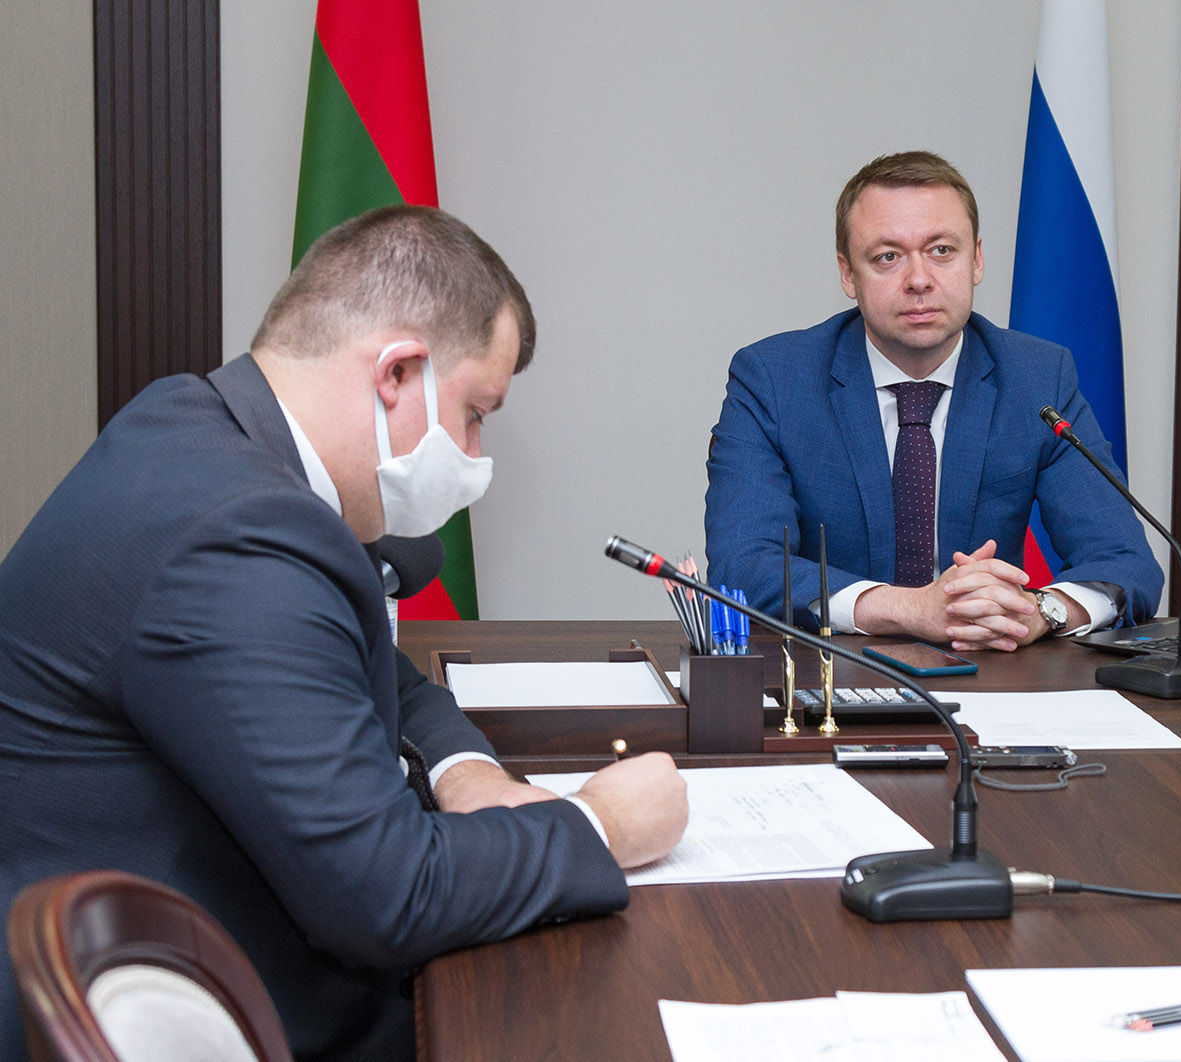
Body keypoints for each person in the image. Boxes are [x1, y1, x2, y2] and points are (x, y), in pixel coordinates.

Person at [0, 205, 688, 1061]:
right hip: (229, 998)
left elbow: (362, 666)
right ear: (397, 373)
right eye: (476, 412)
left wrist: (465, 771)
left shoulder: (199, 427)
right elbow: (386, 898)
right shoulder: (239, 537)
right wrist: (602, 825)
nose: (476, 453)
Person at [705, 151, 1161, 652]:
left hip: (993, 665)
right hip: (831, 671)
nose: (919, 279)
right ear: (848, 274)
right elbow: (743, 563)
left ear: (977, 260)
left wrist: (1038, 612)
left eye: (941, 250)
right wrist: (909, 609)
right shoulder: (774, 380)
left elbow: (1126, 561)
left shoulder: (1036, 377)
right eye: (888, 257)